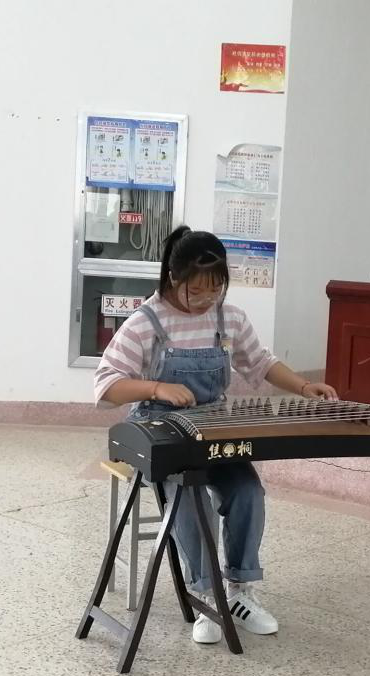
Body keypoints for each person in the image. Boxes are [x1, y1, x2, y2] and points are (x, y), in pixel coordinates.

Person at [94, 226, 338, 644]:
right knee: (191, 502)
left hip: (214, 431)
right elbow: (106, 386)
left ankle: (240, 590)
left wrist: (302, 386)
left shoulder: (229, 318)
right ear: (174, 277)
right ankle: (206, 596)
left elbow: (260, 362)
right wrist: (156, 388)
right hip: (164, 435)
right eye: (197, 290)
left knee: (248, 493)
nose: (207, 299)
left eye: (216, 288)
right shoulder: (145, 323)